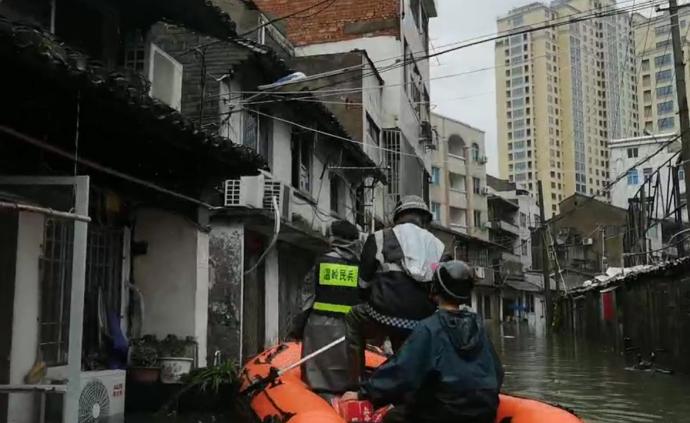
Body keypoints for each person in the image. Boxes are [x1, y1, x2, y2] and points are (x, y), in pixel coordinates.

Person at [342, 261, 504, 423]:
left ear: (435, 289)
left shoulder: (429, 328)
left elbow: (402, 371)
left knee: (392, 417)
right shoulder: (479, 326)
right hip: (485, 414)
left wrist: (363, 393)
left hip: (442, 414)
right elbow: (497, 373)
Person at [345, 195, 445, 388]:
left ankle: (356, 384)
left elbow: (363, 283)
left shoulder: (380, 237)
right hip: (421, 320)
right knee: (406, 339)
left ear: (398, 216)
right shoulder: (439, 246)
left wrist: (368, 300)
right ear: (424, 220)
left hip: (383, 313)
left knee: (353, 317)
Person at [289, 220, 362, 396]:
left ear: (333, 239)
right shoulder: (362, 267)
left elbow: (306, 300)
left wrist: (296, 328)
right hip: (350, 330)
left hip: (318, 329)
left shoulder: (320, 263)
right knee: (347, 379)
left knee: (316, 379)